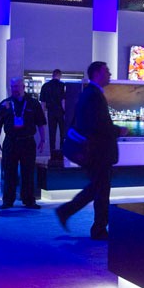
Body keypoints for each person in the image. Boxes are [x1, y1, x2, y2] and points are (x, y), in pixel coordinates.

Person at [56, 61, 127, 240]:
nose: (110, 74)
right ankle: (96, 228)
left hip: (96, 152)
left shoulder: (90, 94)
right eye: (107, 71)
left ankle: (71, 213)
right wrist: (119, 130)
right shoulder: (93, 95)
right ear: (97, 74)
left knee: (97, 188)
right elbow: (98, 126)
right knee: (101, 190)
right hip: (99, 153)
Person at [0, 76, 46, 209]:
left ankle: (29, 200)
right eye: (12, 87)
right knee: (9, 171)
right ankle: (8, 200)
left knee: (28, 171)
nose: (14, 90)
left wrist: (43, 139)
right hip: (10, 141)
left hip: (27, 141)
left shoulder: (34, 104)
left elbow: (40, 123)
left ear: (23, 87)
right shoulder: (5, 104)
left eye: (16, 87)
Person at [39, 69, 66, 156]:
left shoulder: (45, 86)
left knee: (52, 134)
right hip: (61, 113)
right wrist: (65, 113)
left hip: (51, 112)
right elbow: (63, 101)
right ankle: (62, 153)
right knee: (63, 134)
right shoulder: (63, 85)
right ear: (60, 75)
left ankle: (52, 154)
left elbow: (42, 103)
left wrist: (43, 116)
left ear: (52, 75)